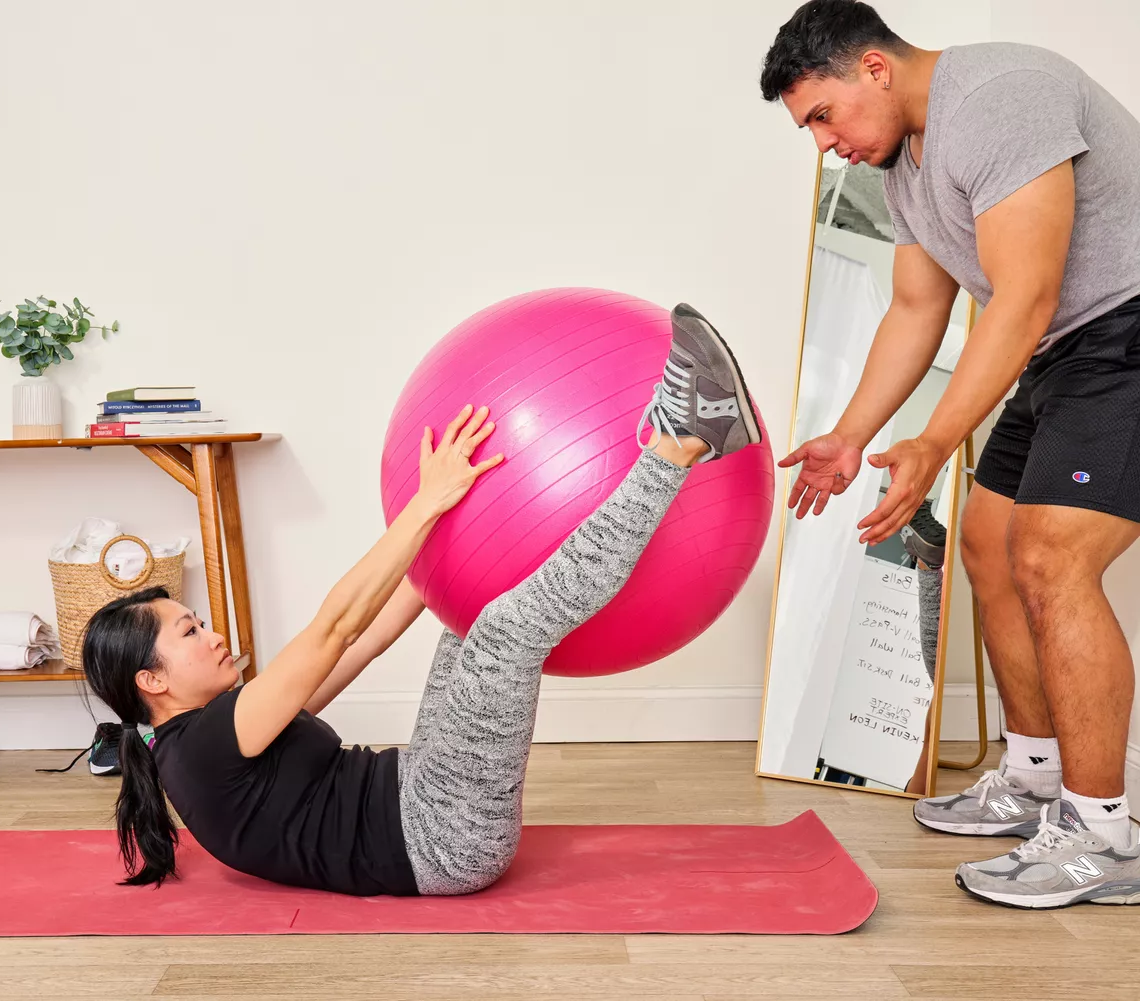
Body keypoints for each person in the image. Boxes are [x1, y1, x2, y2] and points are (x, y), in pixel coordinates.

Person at [80, 304, 760, 896]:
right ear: (152, 679)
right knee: (504, 631)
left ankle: (689, 434)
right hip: (442, 840)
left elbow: (367, 639)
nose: (213, 633)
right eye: (191, 631)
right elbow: (338, 627)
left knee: (471, 612)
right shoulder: (204, 748)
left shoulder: (219, 730)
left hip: (420, 788)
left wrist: (445, 552)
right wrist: (426, 502)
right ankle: (684, 438)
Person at [761, 0, 1140, 908]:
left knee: (1052, 555)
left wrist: (937, 441)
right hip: (1063, 351)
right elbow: (916, 310)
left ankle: (1108, 834)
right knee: (988, 548)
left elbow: (1026, 294)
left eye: (823, 115)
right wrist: (850, 438)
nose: (824, 144)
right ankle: (1038, 777)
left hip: (1123, 332)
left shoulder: (1002, 95)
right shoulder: (905, 168)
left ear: (875, 70)